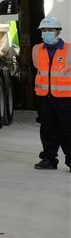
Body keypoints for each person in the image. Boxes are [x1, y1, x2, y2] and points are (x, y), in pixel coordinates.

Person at [32, 16, 70, 171]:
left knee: (67, 131)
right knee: (47, 130)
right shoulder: (36, 49)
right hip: (44, 98)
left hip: (65, 99)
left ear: (58, 31)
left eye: (50, 30)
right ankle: (49, 160)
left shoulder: (69, 49)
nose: (46, 33)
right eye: (44, 30)